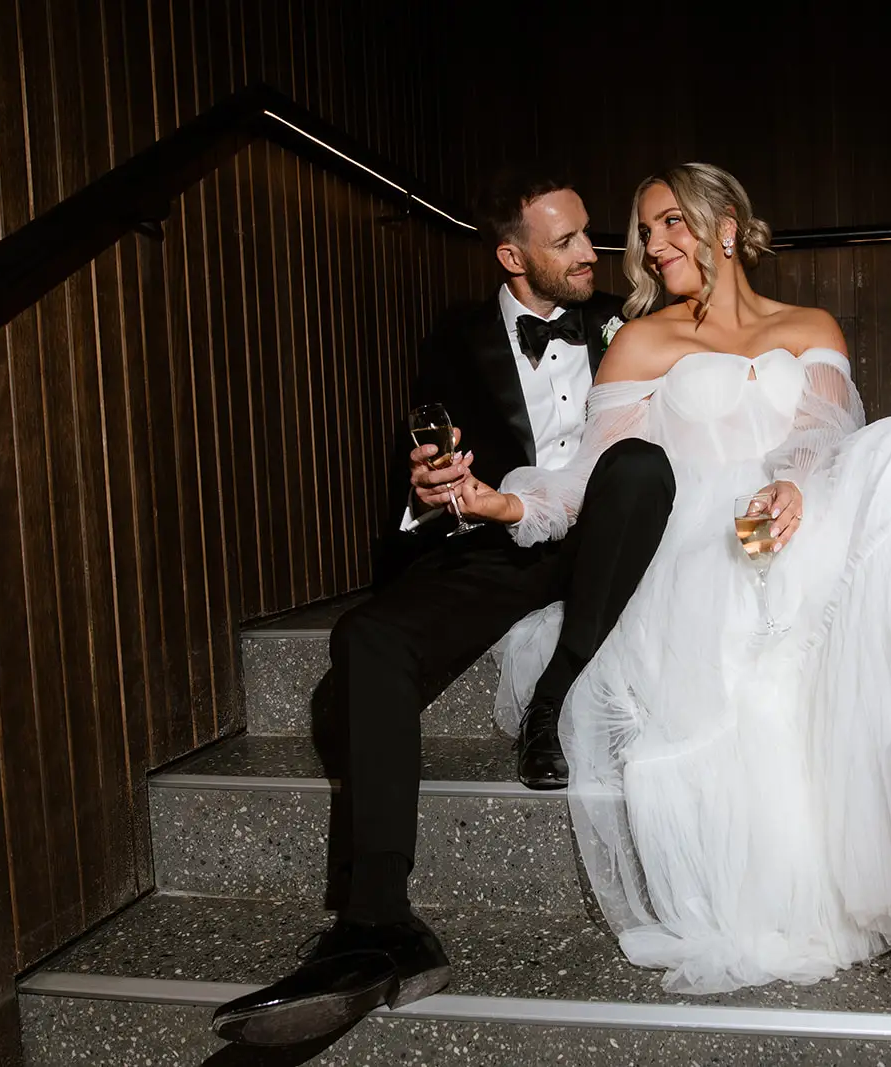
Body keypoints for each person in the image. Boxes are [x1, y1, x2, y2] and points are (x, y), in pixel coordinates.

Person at [477, 163, 891, 994]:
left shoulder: (811, 327)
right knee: (869, 602)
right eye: (646, 232)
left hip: (802, 515)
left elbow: (824, 434)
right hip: (709, 553)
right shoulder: (643, 342)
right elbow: (592, 476)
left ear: (726, 225)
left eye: (670, 222)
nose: (654, 246)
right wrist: (506, 502)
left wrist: (792, 484)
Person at [210, 171, 677, 1044]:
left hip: (607, 539)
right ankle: (378, 923)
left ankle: (551, 702)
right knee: (367, 638)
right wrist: (429, 491)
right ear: (512, 256)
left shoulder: (628, 322)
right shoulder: (454, 339)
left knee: (639, 470)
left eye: (588, 233)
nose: (592, 252)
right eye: (568, 241)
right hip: (498, 539)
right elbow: (436, 465)